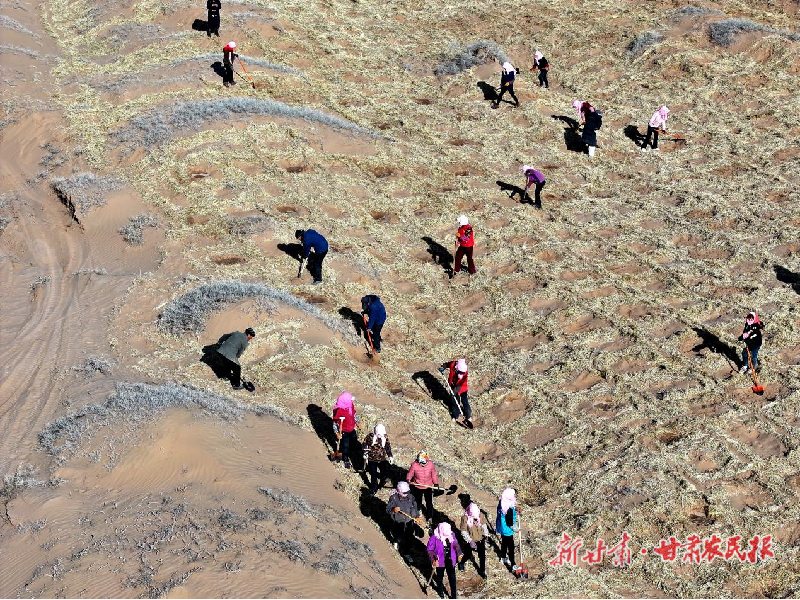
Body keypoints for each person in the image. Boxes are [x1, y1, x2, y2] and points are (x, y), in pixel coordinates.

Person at [386, 482, 422, 562]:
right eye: (405, 493)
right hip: (399, 521)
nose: (407, 494)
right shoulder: (394, 498)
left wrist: (417, 516)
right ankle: (396, 541)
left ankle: (406, 553)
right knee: (399, 537)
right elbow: (388, 509)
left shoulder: (411, 497)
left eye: (407, 492)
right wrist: (393, 510)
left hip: (409, 521)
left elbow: (415, 507)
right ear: (399, 491)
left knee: (409, 538)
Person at [428, 523, 463, 600]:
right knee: (440, 577)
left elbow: (456, 544)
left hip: (450, 559)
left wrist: (459, 553)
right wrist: (433, 560)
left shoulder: (451, 534)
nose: (447, 535)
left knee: (452, 578)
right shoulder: (434, 537)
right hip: (439, 560)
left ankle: (454, 596)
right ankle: (440, 592)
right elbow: (430, 550)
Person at [406, 450, 439, 521]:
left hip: (428, 486)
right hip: (418, 487)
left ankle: (429, 516)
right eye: (422, 463)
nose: (424, 464)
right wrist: (408, 480)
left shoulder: (430, 464)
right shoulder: (414, 465)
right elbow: (410, 473)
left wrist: (436, 483)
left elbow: (433, 474)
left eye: (425, 462)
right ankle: (418, 511)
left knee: (429, 502)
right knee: (418, 501)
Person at [438, 359, 472, 426]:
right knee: (454, 401)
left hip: (462, 387)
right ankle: (455, 415)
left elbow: (459, 384)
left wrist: (454, 392)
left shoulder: (464, 372)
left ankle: (468, 416)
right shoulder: (453, 364)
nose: (461, 373)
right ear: (456, 368)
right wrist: (443, 367)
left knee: (464, 401)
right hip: (453, 385)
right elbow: (447, 364)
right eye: (459, 372)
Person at [496, 487, 521, 576]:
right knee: (511, 546)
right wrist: (517, 529)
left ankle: (503, 557)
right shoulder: (508, 508)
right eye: (514, 495)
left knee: (504, 543)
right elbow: (510, 522)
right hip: (507, 529)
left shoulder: (503, 502)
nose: (515, 497)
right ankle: (513, 564)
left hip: (501, 526)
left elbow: (511, 508)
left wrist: (515, 508)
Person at [459, 502, 488, 578]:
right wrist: (470, 541)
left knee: (482, 556)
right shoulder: (465, 518)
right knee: (468, 554)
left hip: (480, 539)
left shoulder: (480, 515)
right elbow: (463, 531)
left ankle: (482, 571)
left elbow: (484, 525)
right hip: (470, 541)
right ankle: (461, 563)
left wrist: (486, 534)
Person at [332, 392, 361, 469]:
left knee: (354, 441)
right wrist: (337, 433)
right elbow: (335, 423)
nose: (351, 401)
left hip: (352, 429)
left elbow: (354, 414)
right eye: (350, 400)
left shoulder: (350, 405)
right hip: (344, 431)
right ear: (345, 401)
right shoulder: (338, 410)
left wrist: (357, 422)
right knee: (345, 446)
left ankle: (350, 453)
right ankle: (345, 459)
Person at [362, 423, 393, 495]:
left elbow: (387, 447)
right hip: (372, 459)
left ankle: (382, 483)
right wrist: (365, 452)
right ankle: (374, 488)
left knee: (384, 473)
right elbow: (364, 444)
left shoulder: (385, 437)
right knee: (373, 475)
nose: (380, 435)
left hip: (382, 459)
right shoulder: (370, 437)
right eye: (379, 433)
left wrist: (390, 456)